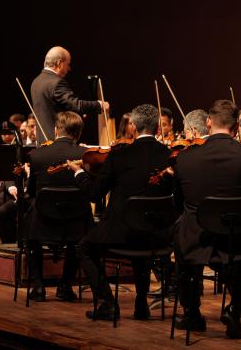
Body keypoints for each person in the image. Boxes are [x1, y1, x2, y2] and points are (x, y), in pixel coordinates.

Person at [173, 100, 241, 337]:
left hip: (197, 237)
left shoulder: (185, 157)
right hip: (236, 235)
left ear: (207, 123)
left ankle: (192, 314)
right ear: (236, 127)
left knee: (182, 235)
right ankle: (236, 309)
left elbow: (179, 199)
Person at [70, 104, 172, 321]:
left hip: (120, 234)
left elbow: (94, 195)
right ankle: (141, 304)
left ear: (132, 126)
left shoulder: (119, 155)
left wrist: (79, 173)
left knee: (84, 248)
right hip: (157, 235)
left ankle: (107, 302)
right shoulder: (170, 155)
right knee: (142, 240)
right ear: (157, 127)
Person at [25, 111, 90, 302]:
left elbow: (30, 192)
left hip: (44, 221)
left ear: (55, 130)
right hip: (75, 222)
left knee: (31, 233)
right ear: (78, 134)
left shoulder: (36, 155)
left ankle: (38, 287)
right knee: (77, 235)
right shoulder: (85, 155)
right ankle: (65, 285)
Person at [30, 46, 107, 141]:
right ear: (59, 63)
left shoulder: (36, 82)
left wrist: (77, 113)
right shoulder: (56, 82)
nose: (69, 68)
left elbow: (52, 107)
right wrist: (99, 104)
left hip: (43, 141)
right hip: (57, 142)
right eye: (68, 64)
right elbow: (76, 105)